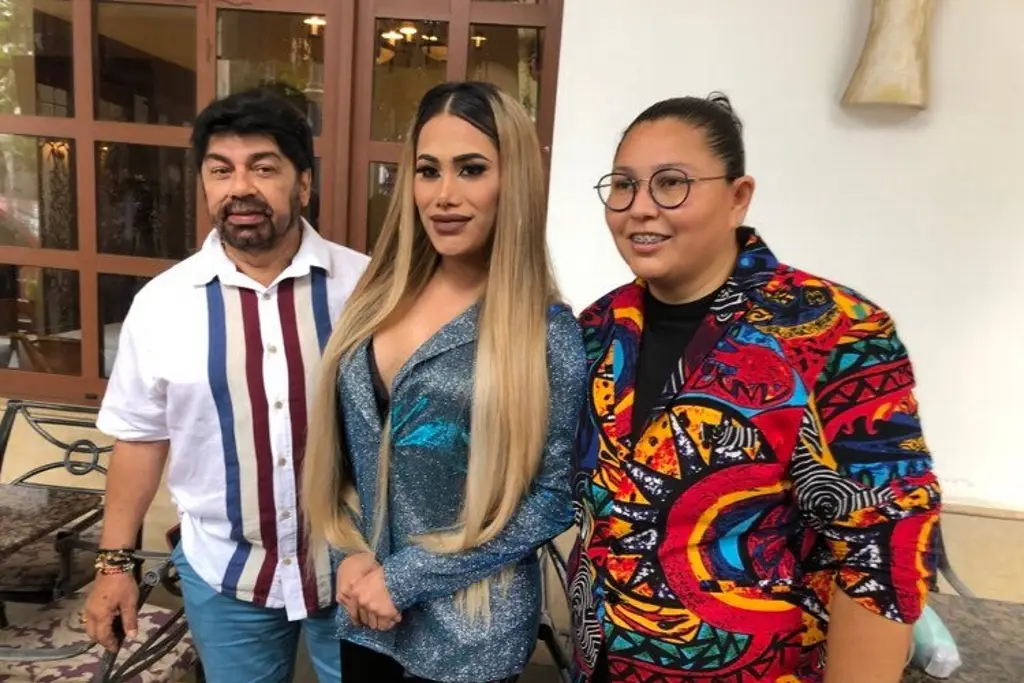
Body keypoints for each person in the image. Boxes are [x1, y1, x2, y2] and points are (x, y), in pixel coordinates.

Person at [569, 93, 941, 683]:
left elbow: (883, 550)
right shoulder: (596, 332)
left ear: (738, 197)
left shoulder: (835, 331)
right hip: (598, 664)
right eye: (623, 185)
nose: (639, 208)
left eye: (671, 183)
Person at [302, 81, 585, 683]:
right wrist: (347, 552)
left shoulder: (545, 333)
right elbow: (345, 457)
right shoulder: (374, 302)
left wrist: (404, 578)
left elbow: (553, 496)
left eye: (471, 169)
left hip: (470, 637)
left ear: (514, 181)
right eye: (428, 171)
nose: (444, 195)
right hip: (366, 614)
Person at [84, 88, 369, 683]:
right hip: (225, 575)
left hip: (356, 567)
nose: (240, 188)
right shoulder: (162, 305)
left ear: (304, 184)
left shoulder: (367, 289)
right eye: (221, 171)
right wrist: (113, 565)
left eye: (263, 168)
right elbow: (140, 438)